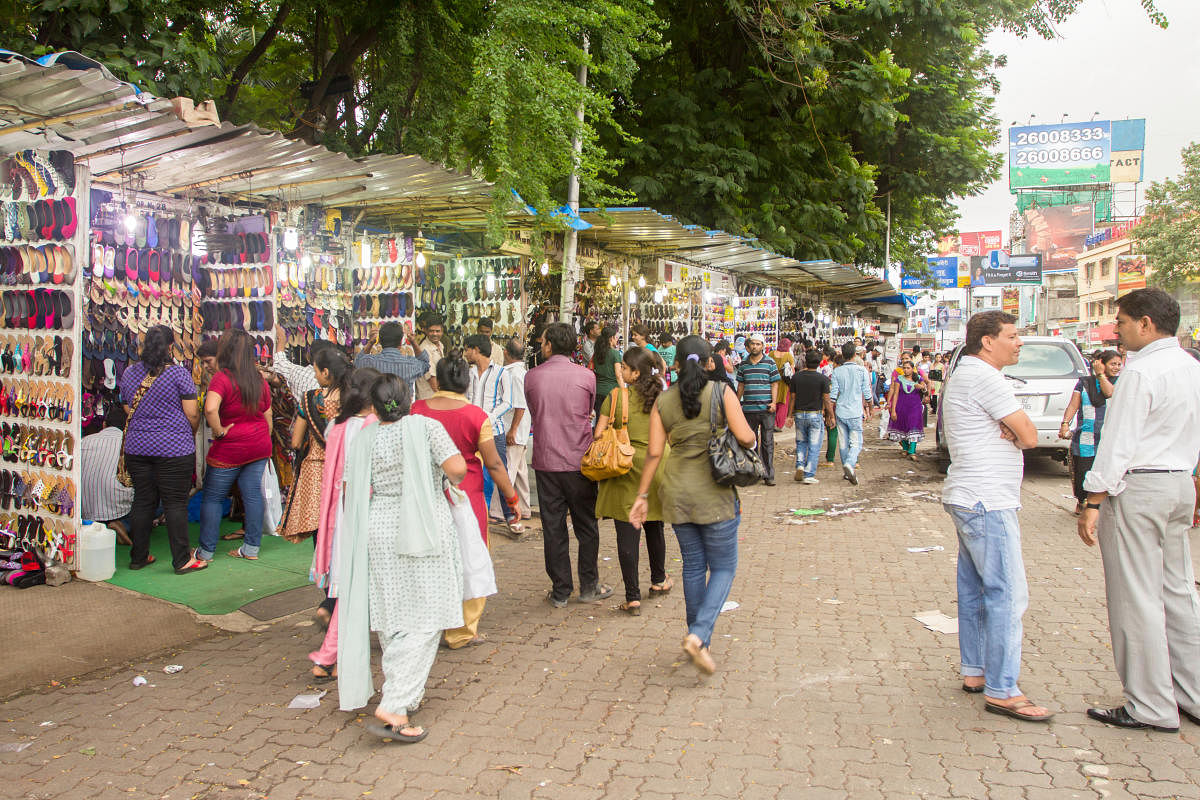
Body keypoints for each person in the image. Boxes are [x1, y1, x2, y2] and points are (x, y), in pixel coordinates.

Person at [1077, 288, 1200, 733]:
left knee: (1136, 599)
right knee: (1179, 593)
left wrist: (1093, 499)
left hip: (1141, 487)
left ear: (1146, 323)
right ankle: (1192, 695)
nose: (1116, 331)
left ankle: (1150, 706)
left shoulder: (1141, 372)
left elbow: (1117, 444)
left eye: (1123, 322)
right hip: (1178, 485)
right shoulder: (1190, 367)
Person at [335, 373, 470, 743]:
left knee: (391, 613)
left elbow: (350, 490)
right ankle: (395, 704)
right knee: (428, 614)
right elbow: (457, 470)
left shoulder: (364, 436)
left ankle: (403, 691)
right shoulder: (427, 427)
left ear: (375, 406)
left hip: (379, 525)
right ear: (409, 397)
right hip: (422, 524)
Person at [941, 311, 1051, 722]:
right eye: (1014, 335)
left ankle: (976, 671)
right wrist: (1013, 431)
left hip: (970, 495)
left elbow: (1019, 431)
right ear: (988, 341)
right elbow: (1030, 435)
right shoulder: (986, 378)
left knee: (975, 592)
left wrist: (1011, 429)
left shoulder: (966, 374)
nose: (1020, 342)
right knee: (1006, 594)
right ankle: (1003, 688)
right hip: (987, 499)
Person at [629, 336, 756, 675]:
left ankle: (699, 641)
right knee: (724, 567)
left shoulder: (664, 401)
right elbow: (746, 437)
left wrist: (641, 497)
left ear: (676, 363)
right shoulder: (721, 392)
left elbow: (655, 453)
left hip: (677, 492)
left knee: (693, 567)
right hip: (714, 492)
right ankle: (699, 636)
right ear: (709, 362)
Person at [412, 351, 518, 648]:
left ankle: (429, 624)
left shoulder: (417, 409)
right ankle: (461, 631)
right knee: (470, 560)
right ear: (466, 382)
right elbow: (495, 464)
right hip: (466, 496)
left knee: (428, 559)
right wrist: (512, 499)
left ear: (438, 380)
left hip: (426, 494)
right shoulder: (476, 416)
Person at [525, 322, 610, 607]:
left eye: (543, 340)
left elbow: (536, 411)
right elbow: (587, 413)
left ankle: (561, 590)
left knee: (554, 527)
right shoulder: (587, 376)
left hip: (547, 460)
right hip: (579, 460)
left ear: (549, 346)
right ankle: (589, 585)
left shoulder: (532, 377)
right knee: (586, 525)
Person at [308, 366, 380, 677]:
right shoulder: (376, 427)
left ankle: (331, 656)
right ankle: (330, 657)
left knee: (353, 588)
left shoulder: (336, 428)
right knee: (359, 588)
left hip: (341, 514)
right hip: (368, 514)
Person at [119, 326, 205, 573]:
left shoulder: (129, 373)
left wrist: (148, 418)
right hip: (173, 448)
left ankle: (138, 557)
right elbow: (191, 413)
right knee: (175, 503)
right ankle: (182, 560)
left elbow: (127, 407)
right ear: (170, 346)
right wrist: (186, 429)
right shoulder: (178, 374)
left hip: (137, 447)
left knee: (143, 500)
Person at [594, 346, 672, 615]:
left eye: (625, 367)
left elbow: (598, 433)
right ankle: (659, 580)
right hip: (658, 463)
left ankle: (632, 597)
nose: (621, 370)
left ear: (635, 372)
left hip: (625, 465)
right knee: (654, 525)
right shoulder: (662, 397)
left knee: (627, 531)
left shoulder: (616, 397)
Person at [196, 329, 273, 562]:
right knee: (252, 495)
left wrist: (218, 430)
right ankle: (251, 549)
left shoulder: (223, 377)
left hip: (231, 447)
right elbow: (268, 412)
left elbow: (210, 408)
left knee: (212, 497)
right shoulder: (257, 377)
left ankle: (206, 551)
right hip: (258, 444)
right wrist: (262, 437)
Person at [280, 348, 349, 543]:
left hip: (316, 467)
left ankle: (321, 567)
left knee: (320, 523)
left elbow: (295, 441)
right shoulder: (352, 399)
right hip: (345, 466)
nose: (316, 375)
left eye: (316, 371)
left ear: (326, 372)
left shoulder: (310, 399)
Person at [462, 335, 523, 532]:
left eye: (467, 349)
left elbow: (508, 402)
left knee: (499, 471)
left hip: (493, 430)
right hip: (472, 430)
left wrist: (489, 416)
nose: (465, 353)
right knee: (476, 472)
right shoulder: (469, 373)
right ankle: (481, 514)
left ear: (476, 350)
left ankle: (510, 515)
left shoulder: (501, 372)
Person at [1057, 350, 1120, 514]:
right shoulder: (1084, 383)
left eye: (1119, 364)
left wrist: (1101, 375)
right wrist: (1065, 423)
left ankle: (1098, 506)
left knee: (1105, 473)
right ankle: (1082, 501)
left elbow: (1109, 393)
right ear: (1101, 363)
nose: (1117, 367)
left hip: (1107, 439)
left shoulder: (1119, 382)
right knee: (1082, 474)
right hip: (1085, 438)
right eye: (1113, 364)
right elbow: (1073, 405)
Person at [489, 339, 532, 524]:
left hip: (513, 429)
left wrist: (512, 430)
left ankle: (499, 511)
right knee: (520, 471)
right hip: (519, 429)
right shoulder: (522, 373)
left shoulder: (514, 374)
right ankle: (524, 508)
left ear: (506, 352)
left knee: (508, 471)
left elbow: (520, 405)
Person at [80, 405, 135, 545]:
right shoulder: (130, 444)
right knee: (154, 504)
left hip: (85, 511)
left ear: (104, 424)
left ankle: (98, 526)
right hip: (120, 510)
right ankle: (121, 525)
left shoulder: (84, 441)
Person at [735, 333, 781, 485]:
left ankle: (768, 474)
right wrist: (736, 403)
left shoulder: (770, 363)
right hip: (748, 409)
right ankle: (755, 472)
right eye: (753, 344)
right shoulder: (743, 364)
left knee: (767, 442)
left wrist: (774, 403)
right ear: (749, 346)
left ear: (763, 346)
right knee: (751, 442)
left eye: (758, 344)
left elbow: (775, 384)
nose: (755, 346)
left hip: (766, 408)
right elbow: (741, 385)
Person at [828, 341, 873, 485]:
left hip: (841, 411)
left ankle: (846, 471)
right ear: (855, 354)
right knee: (856, 443)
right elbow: (867, 393)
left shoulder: (837, 371)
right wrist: (870, 408)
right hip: (855, 412)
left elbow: (833, 396)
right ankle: (850, 463)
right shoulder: (862, 371)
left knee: (843, 442)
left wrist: (830, 414)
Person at [788, 349, 832, 484]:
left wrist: (789, 415)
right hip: (815, 415)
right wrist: (831, 415)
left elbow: (792, 398)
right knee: (814, 445)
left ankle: (800, 464)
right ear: (819, 363)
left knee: (801, 442)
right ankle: (809, 474)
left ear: (805, 361)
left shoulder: (796, 377)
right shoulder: (823, 379)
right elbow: (826, 399)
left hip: (800, 414)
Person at [354, 321, 430, 395]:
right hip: (403, 406)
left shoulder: (369, 362)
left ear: (380, 341)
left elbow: (357, 362)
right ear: (400, 342)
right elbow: (425, 364)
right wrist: (413, 342)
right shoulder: (411, 364)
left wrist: (370, 342)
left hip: (377, 405)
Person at [887, 360, 931, 461]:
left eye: (908, 368)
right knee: (902, 426)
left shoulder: (918, 379)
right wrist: (893, 410)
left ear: (912, 369)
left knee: (914, 426)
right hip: (901, 407)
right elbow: (896, 394)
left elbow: (925, 391)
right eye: (904, 368)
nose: (906, 370)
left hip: (915, 407)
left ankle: (912, 451)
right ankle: (905, 448)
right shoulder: (899, 379)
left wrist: (921, 388)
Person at [590, 325, 622, 420]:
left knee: (599, 420)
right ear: (611, 338)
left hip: (598, 391)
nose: (617, 340)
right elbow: (618, 375)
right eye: (616, 338)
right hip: (611, 392)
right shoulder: (615, 353)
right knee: (610, 422)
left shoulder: (597, 353)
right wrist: (624, 391)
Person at [415, 314, 445, 401]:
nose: (435, 334)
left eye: (437, 331)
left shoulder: (440, 345)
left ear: (442, 331)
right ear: (426, 331)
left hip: (435, 396)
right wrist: (442, 397)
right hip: (428, 397)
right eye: (431, 331)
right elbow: (432, 379)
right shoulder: (425, 349)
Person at [770, 338, 795, 432]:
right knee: (783, 403)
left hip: (772, 381)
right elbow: (792, 370)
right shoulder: (788, 355)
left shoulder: (772, 354)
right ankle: (778, 424)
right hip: (784, 382)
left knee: (773, 401)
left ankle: (772, 423)